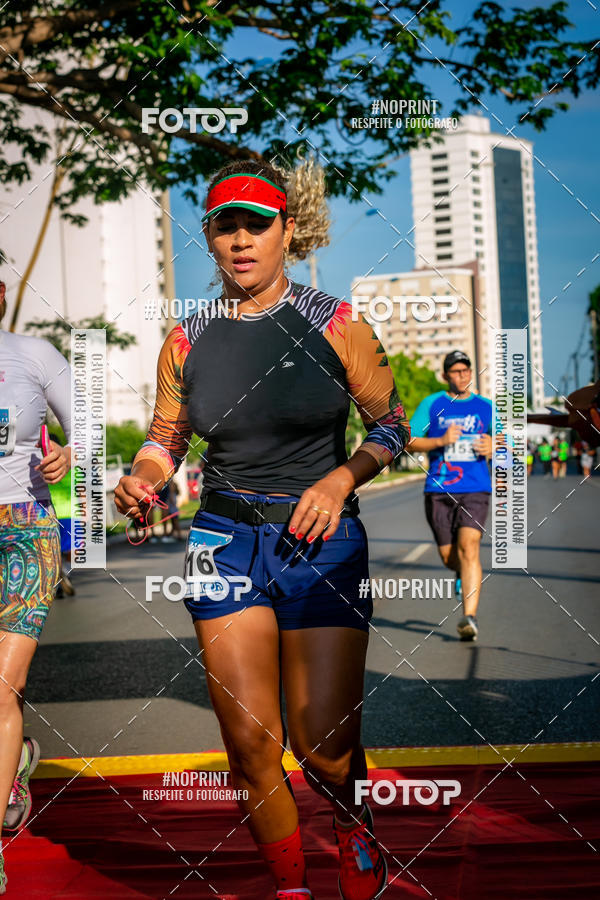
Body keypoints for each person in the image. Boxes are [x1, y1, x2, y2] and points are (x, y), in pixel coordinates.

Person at [115, 159, 410, 900]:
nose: (242, 239)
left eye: (258, 223)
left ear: (287, 232)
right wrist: (144, 478)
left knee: (324, 749)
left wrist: (343, 478)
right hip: (223, 541)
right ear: (210, 239)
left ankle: (351, 822)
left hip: (321, 542)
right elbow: (165, 439)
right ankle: (291, 889)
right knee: (251, 744)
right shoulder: (188, 338)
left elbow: (393, 427)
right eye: (226, 225)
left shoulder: (335, 323)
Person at [0, 280, 72, 894]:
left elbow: (90, 426)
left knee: (3, 681)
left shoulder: (31, 355)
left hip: (24, 530)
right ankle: (16, 760)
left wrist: (71, 454)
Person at [408, 350, 494, 642]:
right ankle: (459, 572)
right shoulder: (433, 404)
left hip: (475, 487)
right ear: (445, 375)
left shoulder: (486, 407)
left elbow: (509, 442)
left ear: (471, 373)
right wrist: (440, 441)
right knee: (449, 556)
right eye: (455, 371)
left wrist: (494, 446)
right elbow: (409, 441)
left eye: (466, 370)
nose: (461, 375)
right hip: (439, 490)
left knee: (470, 547)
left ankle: (469, 617)